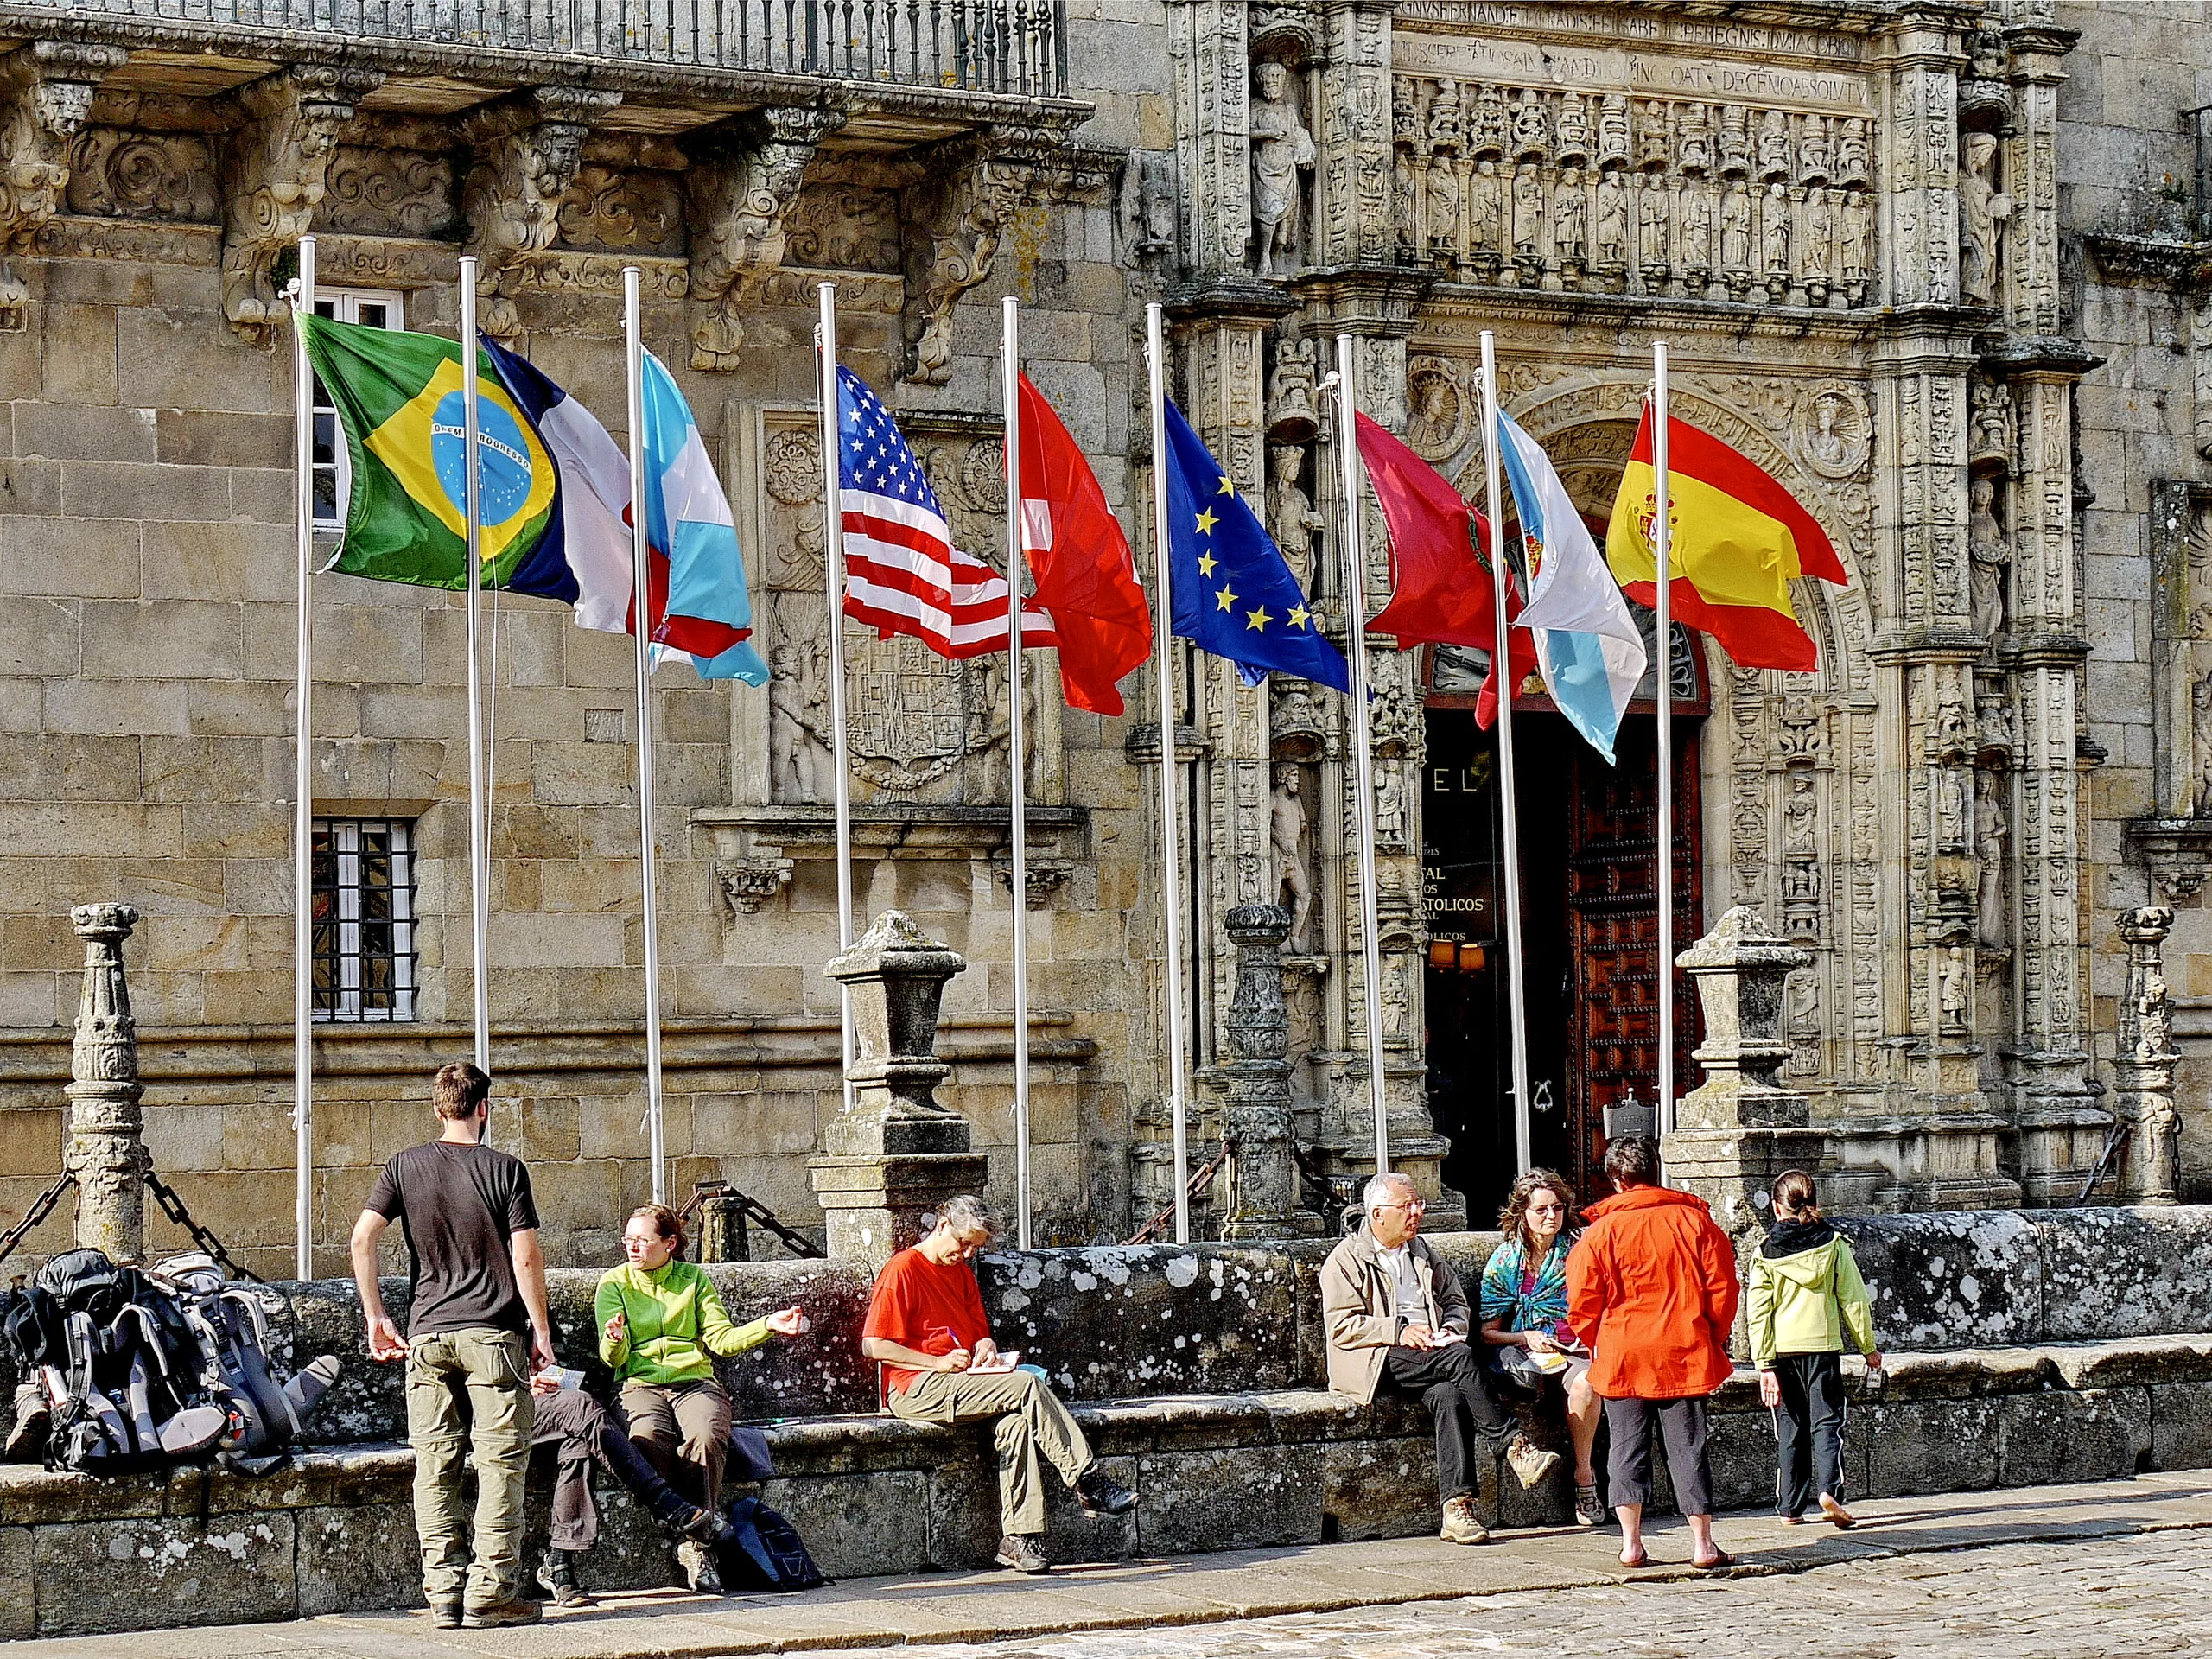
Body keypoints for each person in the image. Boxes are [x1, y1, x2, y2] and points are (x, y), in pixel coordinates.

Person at [352, 1061, 555, 1630]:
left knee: (435, 1466)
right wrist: (541, 1331)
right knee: (499, 1465)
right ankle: (491, 1591)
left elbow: (362, 1238)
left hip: (428, 1333)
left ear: (438, 1107)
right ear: (483, 1108)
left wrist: (376, 1316)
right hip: (493, 1333)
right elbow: (526, 1258)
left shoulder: (403, 1165)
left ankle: (443, 1591)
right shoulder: (506, 1170)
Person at [860, 1195, 1135, 1575]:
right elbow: (874, 1345)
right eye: (964, 1242)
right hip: (916, 1386)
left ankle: (1020, 1540)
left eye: (976, 1246)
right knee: (1025, 1387)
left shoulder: (963, 1276)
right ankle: (1088, 1481)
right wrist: (936, 1362)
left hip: (963, 1383)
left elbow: (975, 1336)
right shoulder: (903, 1268)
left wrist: (985, 1346)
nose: (969, 1253)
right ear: (943, 1226)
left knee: (1016, 1424)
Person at [1322, 1171, 1560, 1547]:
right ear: (1378, 1214)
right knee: (1460, 1359)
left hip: (1433, 1353)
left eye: (1419, 1204)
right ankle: (1513, 1446)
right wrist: (1398, 1331)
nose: (1417, 1211)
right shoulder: (1346, 1259)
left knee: (1450, 1395)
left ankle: (1457, 1508)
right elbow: (1342, 1325)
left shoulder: (1422, 1252)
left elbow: (1455, 1303)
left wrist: (1449, 1328)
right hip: (1376, 1360)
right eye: (1407, 1206)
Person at [597, 1202, 807, 1594]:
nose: (633, 1247)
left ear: (670, 1243)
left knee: (708, 1433)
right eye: (628, 1239)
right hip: (638, 1384)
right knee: (646, 1438)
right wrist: (614, 1338)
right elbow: (614, 1360)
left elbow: (721, 1341)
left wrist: (768, 1325)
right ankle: (687, 1524)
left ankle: (696, 1541)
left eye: (642, 1240)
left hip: (693, 1381)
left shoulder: (693, 1280)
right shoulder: (614, 1284)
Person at [1566, 1135, 1739, 1572]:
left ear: (1616, 1181)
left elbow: (1582, 1300)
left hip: (1624, 1351)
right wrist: (1714, 1335)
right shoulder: (1695, 1223)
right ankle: (1703, 1543)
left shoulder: (1600, 1232)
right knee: (1688, 1448)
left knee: (1626, 1447)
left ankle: (1631, 1544)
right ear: (1656, 1171)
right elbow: (1723, 1288)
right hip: (1684, 1347)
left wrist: (1595, 1340)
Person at [1747, 1170, 1881, 1529]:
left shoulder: (1765, 1253)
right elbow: (1853, 1299)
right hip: (1822, 1348)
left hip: (1782, 1351)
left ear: (1776, 1208)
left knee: (1789, 1427)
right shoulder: (1832, 1243)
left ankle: (1790, 1506)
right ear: (1814, 1203)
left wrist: (1764, 1364)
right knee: (1827, 1423)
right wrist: (1868, 1346)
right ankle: (1829, 1490)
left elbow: (1758, 1312)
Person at [526, 1374, 725, 1608]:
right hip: (496, 1411)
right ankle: (664, 1502)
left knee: (580, 1444)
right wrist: (523, 1382)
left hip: (543, 1407)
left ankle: (559, 1562)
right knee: (582, 1406)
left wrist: (543, 1340)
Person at [1478, 1168, 1605, 1527]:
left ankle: (1584, 1477)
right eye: (1541, 1209)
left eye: (1558, 1208)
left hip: (1574, 1349)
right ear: (1522, 1213)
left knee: (1587, 1384)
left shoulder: (1579, 1253)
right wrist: (1527, 1336)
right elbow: (1488, 1333)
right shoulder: (1505, 1261)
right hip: (1527, 1354)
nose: (1551, 1216)